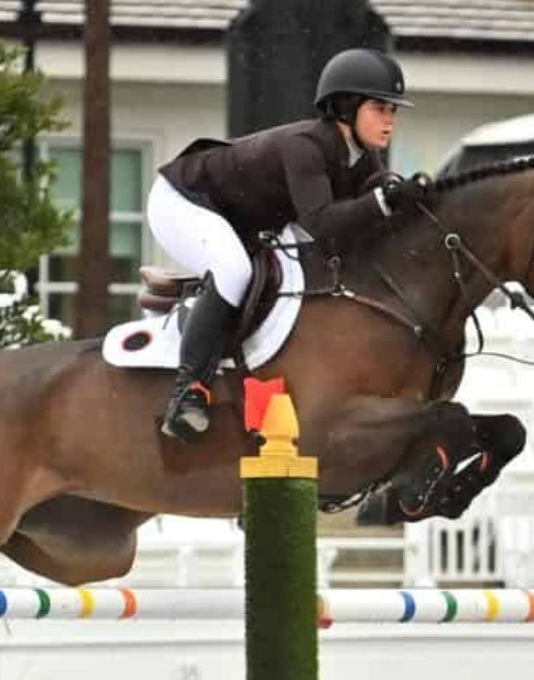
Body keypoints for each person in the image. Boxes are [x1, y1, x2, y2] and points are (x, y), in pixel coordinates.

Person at [148, 47, 433, 442]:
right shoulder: (305, 146)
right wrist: (383, 202)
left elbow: (367, 201)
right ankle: (188, 392)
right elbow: (322, 224)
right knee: (235, 271)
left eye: (394, 111)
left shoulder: (362, 156)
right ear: (347, 107)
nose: (390, 120)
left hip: (241, 217)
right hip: (184, 200)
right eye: (380, 108)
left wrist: (400, 194)